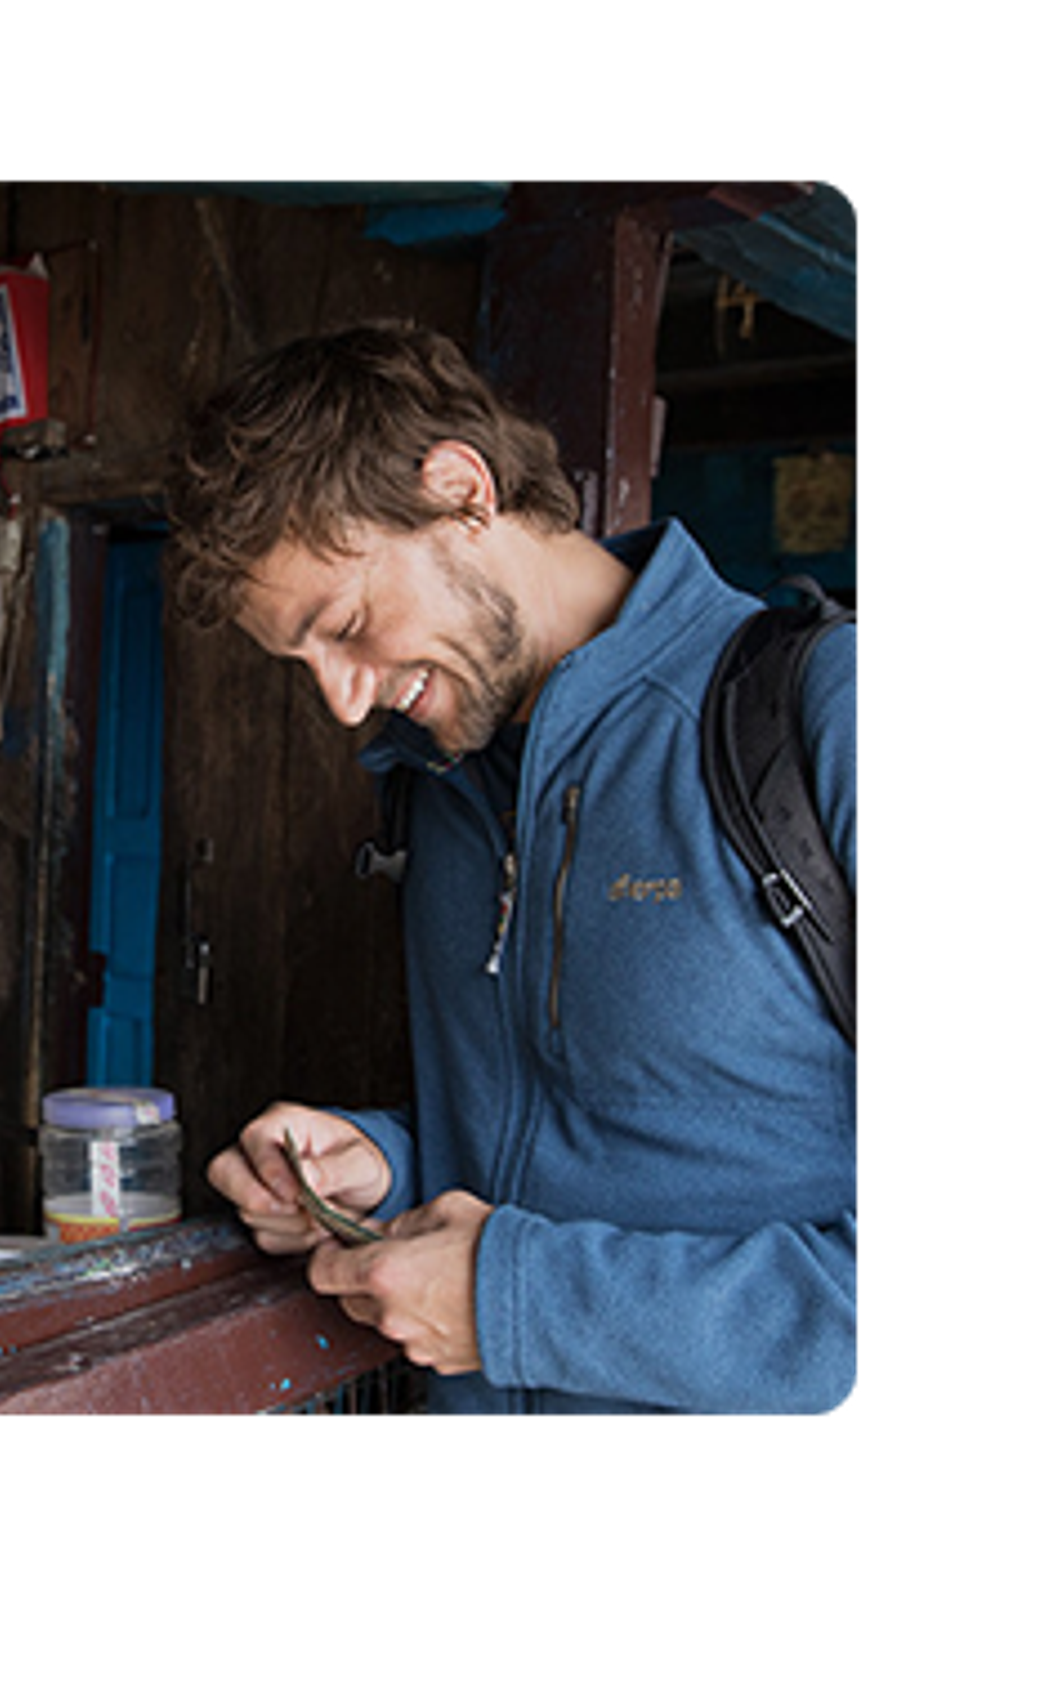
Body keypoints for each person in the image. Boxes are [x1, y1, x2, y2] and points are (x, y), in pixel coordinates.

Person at [165, 321, 856, 1416]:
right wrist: (388, 1163)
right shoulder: (441, 785)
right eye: (304, 663)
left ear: (461, 492)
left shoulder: (819, 717)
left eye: (347, 626)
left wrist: (521, 1300)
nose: (343, 700)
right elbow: (569, 1142)